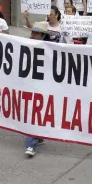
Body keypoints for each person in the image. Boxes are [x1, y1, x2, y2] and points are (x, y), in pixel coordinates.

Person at [24, 21, 63, 157]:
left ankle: (31, 144)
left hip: (44, 87)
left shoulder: (51, 49)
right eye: (32, 32)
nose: (32, 35)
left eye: (35, 33)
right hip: (30, 85)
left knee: (35, 113)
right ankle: (36, 137)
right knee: (33, 113)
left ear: (42, 35)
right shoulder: (25, 44)